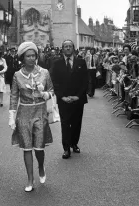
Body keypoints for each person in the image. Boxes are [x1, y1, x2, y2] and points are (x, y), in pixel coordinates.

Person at [9, 41, 53, 192]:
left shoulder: (45, 73)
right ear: (22, 58)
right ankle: (30, 179)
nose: (32, 58)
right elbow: (14, 97)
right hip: (24, 113)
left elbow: (52, 91)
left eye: (34, 55)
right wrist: (11, 116)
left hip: (40, 112)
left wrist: (44, 93)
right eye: (28, 56)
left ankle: (41, 166)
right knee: (26, 148)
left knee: (39, 148)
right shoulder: (16, 75)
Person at [50, 40, 88, 159]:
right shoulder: (57, 63)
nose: (67, 48)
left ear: (73, 48)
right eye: (65, 46)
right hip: (64, 100)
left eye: (70, 46)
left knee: (76, 123)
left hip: (78, 98)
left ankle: (74, 143)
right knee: (65, 124)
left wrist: (78, 96)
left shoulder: (81, 62)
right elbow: (54, 81)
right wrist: (62, 96)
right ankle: (66, 148)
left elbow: (85, 81)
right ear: (62, 49)